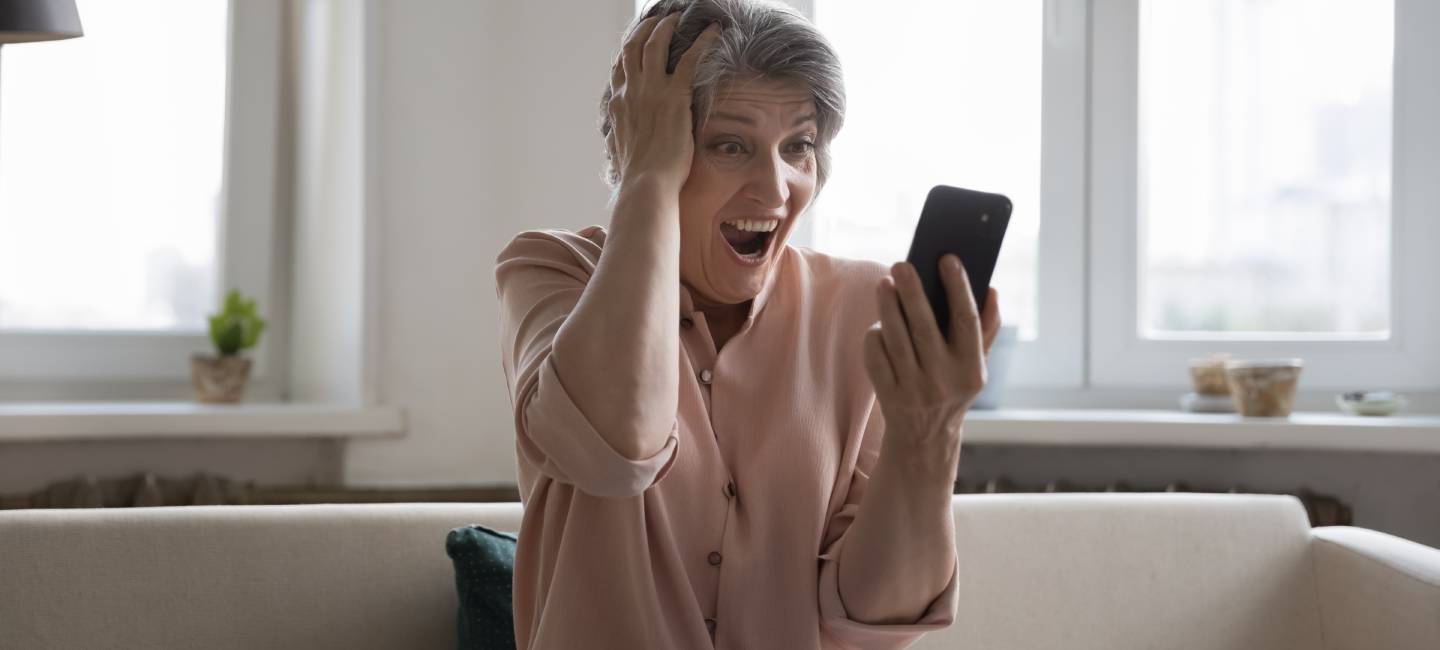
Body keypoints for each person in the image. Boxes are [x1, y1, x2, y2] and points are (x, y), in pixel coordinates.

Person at [494, 0, 1000, 647]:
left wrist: (929, 432)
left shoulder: (861, 305)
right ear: (644, 138)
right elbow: (613, 450)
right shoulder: (550, 271)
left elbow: (876, 615)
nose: (776, 188)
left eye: (798, 147)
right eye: (729, 145)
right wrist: (646, 178)